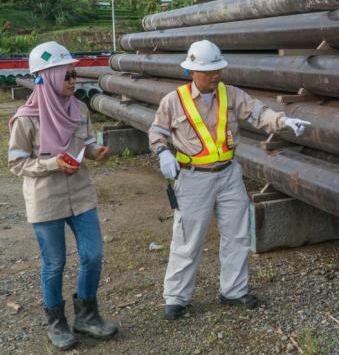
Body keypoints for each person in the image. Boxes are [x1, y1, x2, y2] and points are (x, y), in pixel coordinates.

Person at [148, 40, 310, 320]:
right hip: (193, 178)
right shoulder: (173, 101)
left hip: (228, 175)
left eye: (218, 70)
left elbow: (259, 114)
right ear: (192, 72)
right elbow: (157, 132)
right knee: (188, 239)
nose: (215, 75)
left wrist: (283, 121)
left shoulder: (231, 94)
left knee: (237, 235)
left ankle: (233, 291)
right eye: (209, 71)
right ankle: (176, 297)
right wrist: (163, 153)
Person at [8, 41, 117, 350]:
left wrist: (96, 151)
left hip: (81, 195)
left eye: (73, 73)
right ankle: (56, 323)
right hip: (46, 199)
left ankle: (87, 316)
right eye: (66, 75)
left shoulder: (79, 109)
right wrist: (51, 163)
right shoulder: (26, 119)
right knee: (54, 263)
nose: (73, 80)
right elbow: (16, 163)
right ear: (48, 78)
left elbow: (88, 143)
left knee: (93, 255)